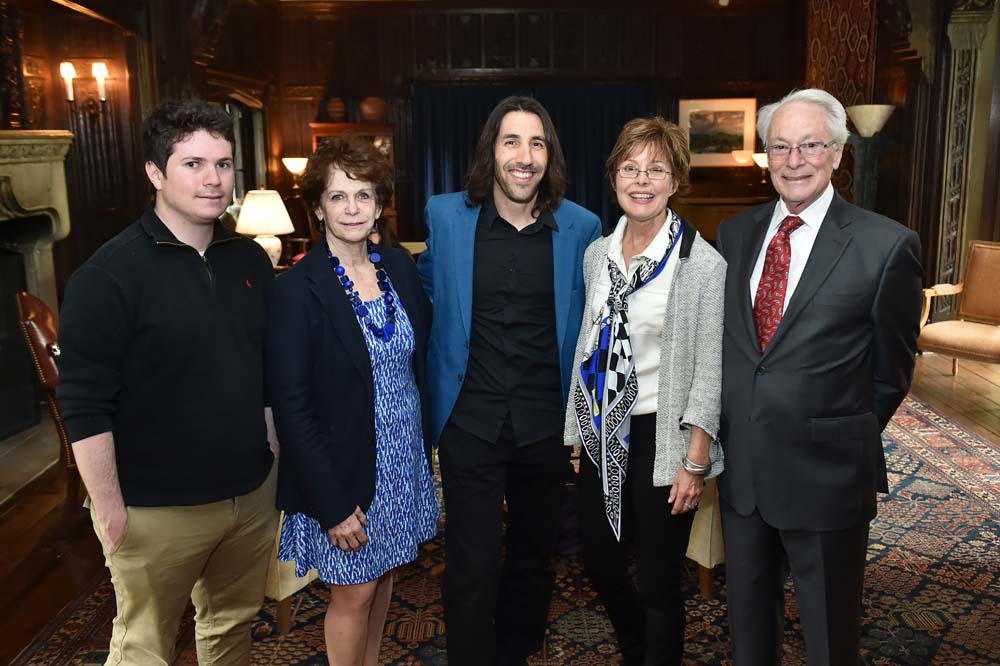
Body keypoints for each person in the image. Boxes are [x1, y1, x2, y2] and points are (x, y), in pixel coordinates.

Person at [56, 99, 279, 665]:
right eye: (193, 164)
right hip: (158, 509)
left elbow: (266, 368)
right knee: (144, 649)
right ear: (156, 173)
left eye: (224, 164)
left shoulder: (249, 258)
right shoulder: (107, 276)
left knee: (232, 629)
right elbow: (84, 403)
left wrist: (272, 454)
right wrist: (108, 511)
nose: (213, 179)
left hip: (249, 496)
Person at [715, 88, 922, 665]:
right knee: (749, 634)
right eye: (779, 146)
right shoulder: (735, 235)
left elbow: (891, 372)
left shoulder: (886, 246)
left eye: (810, 145)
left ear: (837, 154)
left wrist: (830, 430)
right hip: (745, 474)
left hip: (827, 476)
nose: (793, 159)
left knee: (830, 641)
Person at [417, 95, 602, 665]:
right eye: (512, 141)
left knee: (533, 556)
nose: (525, 156)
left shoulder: (581, 226)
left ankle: (517, 653)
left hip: (546, 422)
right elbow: (424, 292)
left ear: (551, 155)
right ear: (491, 151)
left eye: (537, 143)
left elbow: (597, 321)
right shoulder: (447, 216)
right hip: (469, 419)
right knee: (471, 562)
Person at [266, 136, 439, 666]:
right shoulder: (298, 290)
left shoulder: (399, 270)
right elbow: (291, 408)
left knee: (383, 577)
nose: (352, 209)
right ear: (317, 206)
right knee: (354, 594)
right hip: (341, 474)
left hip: (401, 463)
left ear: (380, 203)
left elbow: (420, 364)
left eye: (364, 195)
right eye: (338, 197)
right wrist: (333, 504)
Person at [563, 117, 725, 666]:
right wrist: (577, 433)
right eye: (630, 168)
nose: (642, 180)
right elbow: (589, 347)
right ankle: (635, 645)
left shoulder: (701, 263)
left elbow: (710, 367)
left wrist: (695, 460)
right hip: (603, 428)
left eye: (656, 169)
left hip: (664, 438)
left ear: (675, 181)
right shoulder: (597, 256)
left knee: (658, 582)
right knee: (600, 564)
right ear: (613, 178)